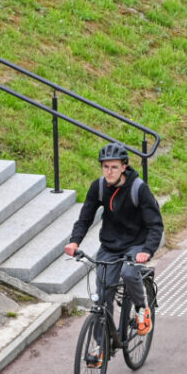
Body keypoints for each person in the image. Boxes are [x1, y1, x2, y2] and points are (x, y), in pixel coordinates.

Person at [65, 142, 164, 335]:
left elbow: (155, 224)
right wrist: (74, 241)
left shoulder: (138, 189)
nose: (109, 172)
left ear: (123, 167)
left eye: (114, 167)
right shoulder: (99, 187)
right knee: (102, 297)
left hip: (137, 243)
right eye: (105, 167)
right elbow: (85, 217)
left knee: (128, 273)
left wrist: (147, 250)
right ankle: (102, 344)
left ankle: (141, 309)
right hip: (110, 245)